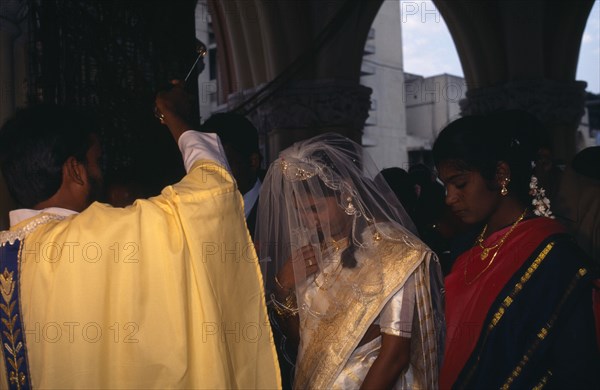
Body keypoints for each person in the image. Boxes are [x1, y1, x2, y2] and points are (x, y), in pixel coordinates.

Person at [0, 82, 280, 388]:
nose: (100, 173)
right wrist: (173, 115)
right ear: (75, 171)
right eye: (96, 161)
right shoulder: (104, 236)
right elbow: (211, 192)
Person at [256, 133, 444, 389]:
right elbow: (303, 342)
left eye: (315, 209)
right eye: (300, 212)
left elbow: (395, 356)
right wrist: (283, 288)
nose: (310, 222)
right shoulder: (313, 253)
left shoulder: (395, 253)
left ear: (345, 192)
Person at [433, 110, 599, 389]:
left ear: (501, 175)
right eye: (445, 185)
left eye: (460, 183)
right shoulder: (465, 249)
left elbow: (575, 368)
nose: (449, 198)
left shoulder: (557, 258)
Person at [200, 113, 262, 237]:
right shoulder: (197, 212)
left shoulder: (281, 211)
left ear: (253, 162)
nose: (211, 176)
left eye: (223, 166)